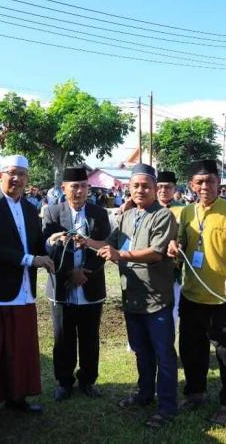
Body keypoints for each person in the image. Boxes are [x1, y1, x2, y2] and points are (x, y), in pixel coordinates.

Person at [80, 163, 178, 429]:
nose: (140, 190)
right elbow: (109, 245)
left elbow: (156, 253)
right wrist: (85, 242)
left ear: (156, 188)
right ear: (129, 188)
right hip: (132, 297)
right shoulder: (125, 216)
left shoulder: (163, 216)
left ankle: (168, 405)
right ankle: (145, 395)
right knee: (141, 351)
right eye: (135, 185)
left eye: (146, 185)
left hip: (156, 298)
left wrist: (120, 255)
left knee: (163, 354)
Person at [0, 155, 55, 428]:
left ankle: (16, 397)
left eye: (22, 174)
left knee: (21, 349)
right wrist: (32, 259)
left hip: (23, 291)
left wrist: (52, 243)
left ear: (28, 178)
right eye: (11, 173)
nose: (17, 179)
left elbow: (35, 244)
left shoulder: (31, 209)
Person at [167, 159, 226, 426]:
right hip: (191, 295)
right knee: (191, 350)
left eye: (210, 181)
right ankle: (195, 392)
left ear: (219, 183)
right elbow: (179, 245)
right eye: (199, 182)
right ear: (191, 184)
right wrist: (173, 248)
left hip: (223, 297)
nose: (204, 186)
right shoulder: (186, 213)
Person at [42, 167, 111, 402]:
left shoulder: (99, 213)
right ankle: (64, 382)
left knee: (90, 338)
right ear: (64, 189)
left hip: (90, 285)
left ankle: (88, 380)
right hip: (62, 287)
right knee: (63, 338)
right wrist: (69, 273)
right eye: (74, 186)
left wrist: (86, 272)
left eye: (83, 186)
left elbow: (106, 247)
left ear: (88, 188)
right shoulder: (51, 213)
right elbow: (46, 248)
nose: (79, 191)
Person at [156, 170, 185, 329]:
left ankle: (167, 345)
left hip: (172, 269)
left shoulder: (184, 210)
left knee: (172, 307)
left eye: (167, 187)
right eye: (159, 187)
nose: (163, 190)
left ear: (175, 189)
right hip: (149, 267)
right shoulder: (148, 207)